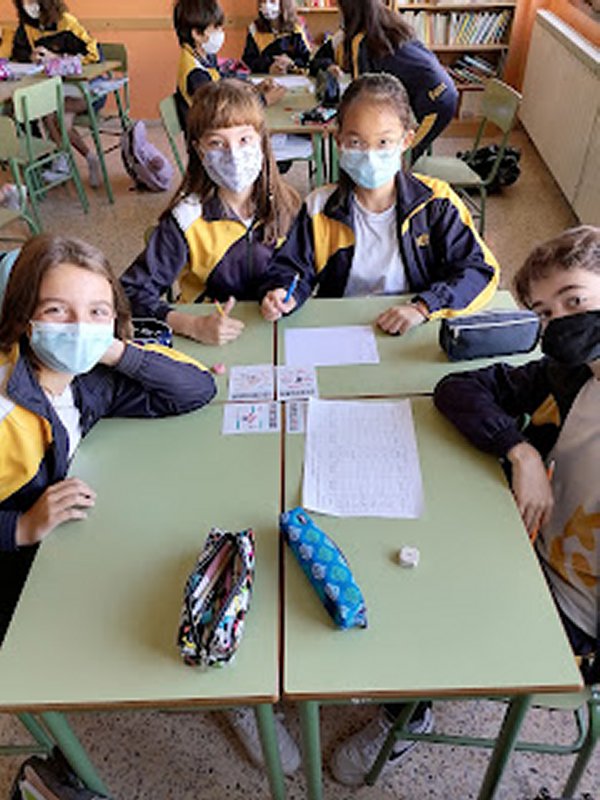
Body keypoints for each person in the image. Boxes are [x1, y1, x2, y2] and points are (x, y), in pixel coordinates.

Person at [0, 234, 217, 644]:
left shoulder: (86, 378)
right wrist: (21, 527)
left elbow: (197, 388)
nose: (80, 328)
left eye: (97, 312)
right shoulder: (7, 411)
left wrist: (115, 351)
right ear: (23, 317)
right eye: (56, 310)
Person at [435, 225, 600, 670]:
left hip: (575, 616)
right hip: (527, 546)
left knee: (428, 619)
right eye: (545, 314)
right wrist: (520, 450)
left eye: (575, 300)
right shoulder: (570, 377)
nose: (560, 322)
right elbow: (457, 388)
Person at [259, 73, 498, 334]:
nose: (370, 155)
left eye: (383, 142)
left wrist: (423, 307)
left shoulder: (436, 202)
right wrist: (282, 291)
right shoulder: (319, 206)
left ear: (406, 141)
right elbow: (292, 267)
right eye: (355, 142)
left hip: (414, 326)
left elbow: (479, 271)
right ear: (338, 141)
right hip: (344, 327)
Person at [121, 78, 301, 346]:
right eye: (217, 143)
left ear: (262, 141)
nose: (234, 155)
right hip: (203, 338)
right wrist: (190, 324)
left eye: (244, 139)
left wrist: (283, 292)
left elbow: (298, 270)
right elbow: (129, 293)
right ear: (199, 150)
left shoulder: (289, 206)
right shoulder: (186, 219)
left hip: (270, 332)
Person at [310, 0, 458, 161]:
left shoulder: (361, 38)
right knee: (389, 149)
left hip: (436, 100)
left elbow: (362, 92)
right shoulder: (389, 25)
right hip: (439, 91)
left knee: (400, 158)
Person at [9, 0, 102, 187]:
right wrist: (33, 58)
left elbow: (93, 55)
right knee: (56, 118)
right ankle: (86, 159)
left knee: (51, 114)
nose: (28, 5)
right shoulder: (28, 28)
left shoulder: (66, 22)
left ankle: (64, 160)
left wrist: (57, 58)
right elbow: (21, 56)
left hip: (84, 87)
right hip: (58, 88)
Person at [173, 0, 284, 135]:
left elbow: (222, 83)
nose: (221, 33)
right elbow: (223, 110)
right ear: (197, 34)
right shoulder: (195, 73)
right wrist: (264, 100)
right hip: (209, 137)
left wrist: (252, 88)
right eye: (217, 28)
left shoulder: (203, 56)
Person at [242, 0, 311, 75]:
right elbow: (249, 61)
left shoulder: (296, 29)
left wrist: (291, 63)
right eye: (263, 1)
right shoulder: (255, 29)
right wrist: (269, 66)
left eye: (272, 1)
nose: (267, 5)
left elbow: (307, 58)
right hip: (265, 77)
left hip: (293, 77)